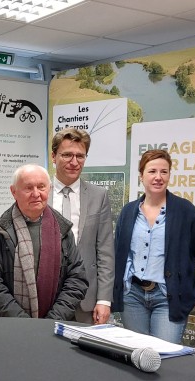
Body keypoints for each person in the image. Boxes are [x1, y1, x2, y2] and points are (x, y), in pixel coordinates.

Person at [112, 149, 195, 344]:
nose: (158, 177)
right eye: (152, 171)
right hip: (132, 296)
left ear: (170, 175)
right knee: (138, 353)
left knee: (164, 355)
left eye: (164, 172)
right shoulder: (128, 212)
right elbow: (118, 253)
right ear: (141, 175)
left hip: (167, 298)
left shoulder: (184, 211)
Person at [0, 164, 87, 319]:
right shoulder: (0, 231)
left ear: (49, 189)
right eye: (28, 188)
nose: (36, 194)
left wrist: (54, 318)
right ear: (14, 192)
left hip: (56, 324)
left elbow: (77, 279)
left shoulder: (63, 229)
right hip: (8, 324)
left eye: (41, 187)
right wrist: (21, 321)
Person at [49, 128, 115, 324]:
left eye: (80, 156)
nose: (74, 162)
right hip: (48, 296)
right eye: (67, 155)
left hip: (86, 300)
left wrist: (104, 300)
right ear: (53, 156)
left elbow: (105, 251)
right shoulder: (40, 193)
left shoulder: (98, 196)